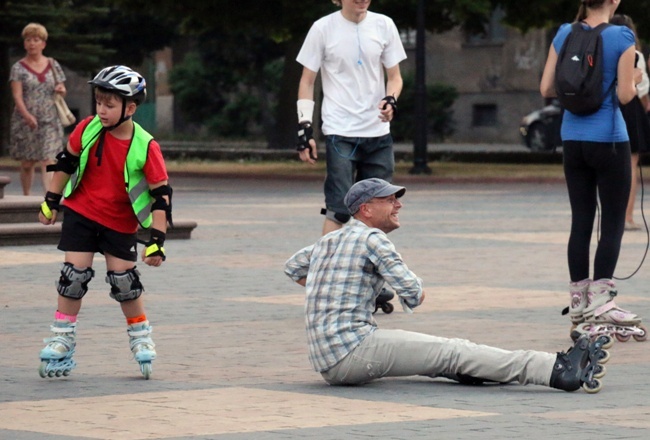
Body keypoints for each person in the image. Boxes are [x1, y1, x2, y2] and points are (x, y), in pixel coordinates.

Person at [284, 178, 611, 393]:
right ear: (365, 209)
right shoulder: (373, 239)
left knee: (445, 359)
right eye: (389, 199)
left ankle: (482, 372)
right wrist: (367, 287)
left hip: (327, 357)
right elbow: (416, 294)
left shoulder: (332, 239)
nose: (398, 204)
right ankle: (557, 370)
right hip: (351, 352)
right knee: (452, 350)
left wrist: (342, 289)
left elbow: (294, 267)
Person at [36, 66, 173, 380]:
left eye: (109, 105)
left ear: (130, 108)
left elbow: (161, 196)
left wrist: (157, 240)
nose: (101, 110)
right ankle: (62, 336)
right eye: (99, 102)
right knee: (73, 276)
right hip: (81, 213)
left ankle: (140, 335)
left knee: (124, 282)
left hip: (119, 222)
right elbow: (66, 162)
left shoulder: (145, 145)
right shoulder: (87, 128)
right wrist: (50, 201)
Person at [540, 0, 647, 342]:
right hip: (609, 139)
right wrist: (635, 76)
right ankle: (601, 303)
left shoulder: (563, 33)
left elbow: (546, 89)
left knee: (581, 220)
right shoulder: (621, 35)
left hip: (572, 138)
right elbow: (627, 95)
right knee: (613, 222)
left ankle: (577, 301)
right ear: (614, 1)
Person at [295, 0, 407, 236]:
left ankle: (370, 268)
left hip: (378, 132)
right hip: (341, 132)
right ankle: (326, 268)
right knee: (339, 209)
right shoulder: (322, 28)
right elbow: (307, 81)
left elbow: (395, 77)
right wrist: (305, 128)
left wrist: (391, 99)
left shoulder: (384, 25)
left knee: (380, 209)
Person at [9, 23, 67, 196]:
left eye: (36, 40)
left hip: (49, 119)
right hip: (25, 120)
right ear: (24, 43)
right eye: (28, 40)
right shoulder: (18, 68)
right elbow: (17, 96)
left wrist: (61, 90)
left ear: (43, 43)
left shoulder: (52, 64)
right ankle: (26, 198)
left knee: (48, 160)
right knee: (27, 163)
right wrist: (26, 115)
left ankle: (48, 200)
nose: (32, 43)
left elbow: (61, 87)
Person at [609, 14, 650, 231]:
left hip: (608, 108)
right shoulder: (635, 55)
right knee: (631, 165)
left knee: (609, 164)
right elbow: (642, 88)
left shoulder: (603, 52)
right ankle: (628, 216)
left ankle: (610, 215)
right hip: (631, 108)